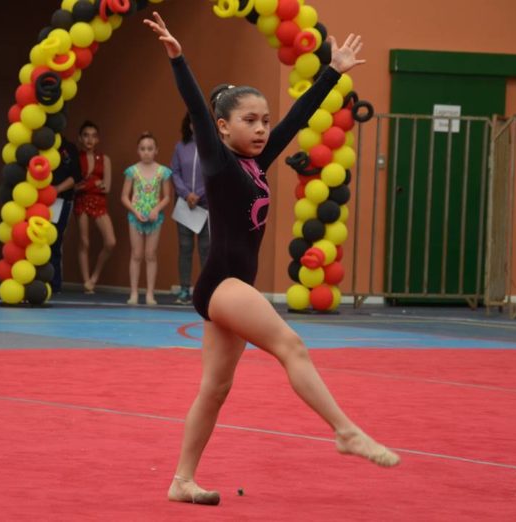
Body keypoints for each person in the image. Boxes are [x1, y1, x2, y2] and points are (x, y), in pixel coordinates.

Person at [143, 12, 400, 506]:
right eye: (249, 121)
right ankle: (345, 431)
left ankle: (181, 480)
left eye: (263, 120)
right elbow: (196, 109)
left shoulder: (257, 162)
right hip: (222, 285)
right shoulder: (217, 162)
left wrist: (335, 71)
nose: (262, 129)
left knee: (215, 389)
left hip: (232, 286)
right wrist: (179, 59)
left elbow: (298, 118)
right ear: (222, 127)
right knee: (292, 345)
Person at [120, 131, 172, 305]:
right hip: (136, 217)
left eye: (150, 148)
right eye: (143, 149)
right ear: (138, 150)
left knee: (150, 255)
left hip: (154, 218)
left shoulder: (162, 172)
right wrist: (135, 212)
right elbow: (124, 196)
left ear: (156, 150)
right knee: (136, 254)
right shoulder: (132, 171)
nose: (146, 152)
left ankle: (150, 293)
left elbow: (166, 197)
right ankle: (134, 292)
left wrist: (156, 210)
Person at [171, 113, 210, 305]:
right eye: (192, 121)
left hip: (206, 206)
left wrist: (199, 195)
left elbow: (214, 174)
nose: (195, 125)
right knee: (185, 248)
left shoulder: (212, 147)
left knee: (206, 248)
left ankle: (205, 290)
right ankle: (185, 289)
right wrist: (187, 194)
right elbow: (175, 173)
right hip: (185, 205)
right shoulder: (180, 147)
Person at [74, 120, 116, 294]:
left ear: (98, 139)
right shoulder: (76, 159)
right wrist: (93, 183)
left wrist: (88, 184)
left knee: (111, 242)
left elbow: (107, 187)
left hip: (99, 202)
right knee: (84, 242)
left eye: (93, 136)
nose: (89, 139)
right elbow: (74, 187)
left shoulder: (104, 159)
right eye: (85, 135)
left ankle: (95, 276)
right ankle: (86, 282)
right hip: (81, 201)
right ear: (80, 138)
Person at [49, 138, 82, 293]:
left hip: (60, 201)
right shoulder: (35, 145)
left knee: (54, 241)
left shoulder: (68, 147)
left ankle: (54, 285)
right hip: (36, 201)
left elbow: (76, 176)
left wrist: (57, 189)